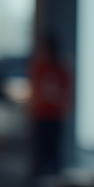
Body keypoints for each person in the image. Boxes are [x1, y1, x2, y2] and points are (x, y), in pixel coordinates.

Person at [29, 32, 72, 177]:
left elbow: (66, 92)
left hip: (55, 116)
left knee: (54, 150)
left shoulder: (61, 68)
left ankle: (54, 180)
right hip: (41, 114)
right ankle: (39, 178)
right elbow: (35, 90)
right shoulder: (40, 67)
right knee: (41, 149)